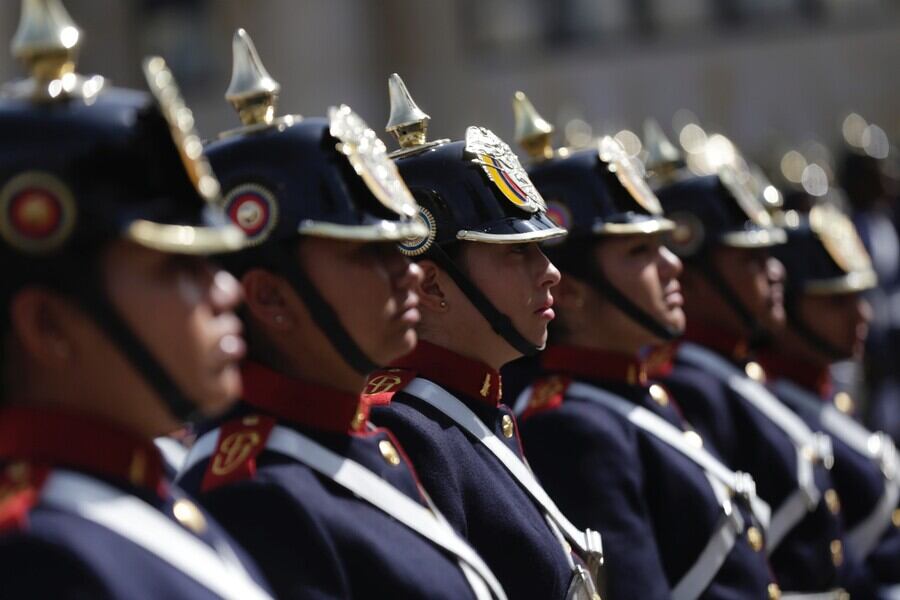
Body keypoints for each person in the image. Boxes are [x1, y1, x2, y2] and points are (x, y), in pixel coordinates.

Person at [176, 30, 505, 600]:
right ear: (272, 298)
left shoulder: (356, 435)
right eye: (367, 254)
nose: (408, 270)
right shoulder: (257, 492)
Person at [0, 2, 272, 599]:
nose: (225, 289)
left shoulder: (135, 494)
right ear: (48, 326)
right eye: (179, 267)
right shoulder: (36, 560)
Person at [509, 98, 777, 599]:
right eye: (640, 251)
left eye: (663, 244)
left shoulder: (640, 391)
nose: (674, 266)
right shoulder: (570, 426)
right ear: (571, 291)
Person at [365, 74, 604, 600]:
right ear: (431, 284)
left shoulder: (474, 409)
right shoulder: (409, 428)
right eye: (517, 252)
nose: (551, 272)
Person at [648, 125, 862, 596]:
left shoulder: (737, 370)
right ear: (695, 278)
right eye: (751, 259)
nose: (776, 271)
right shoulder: (686, 383)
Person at [760, 200, 900, 598]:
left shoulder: (822, 392)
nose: (864, 315)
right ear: (783, 304)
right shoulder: (771, 410)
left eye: (860, 296)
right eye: (836, 301)